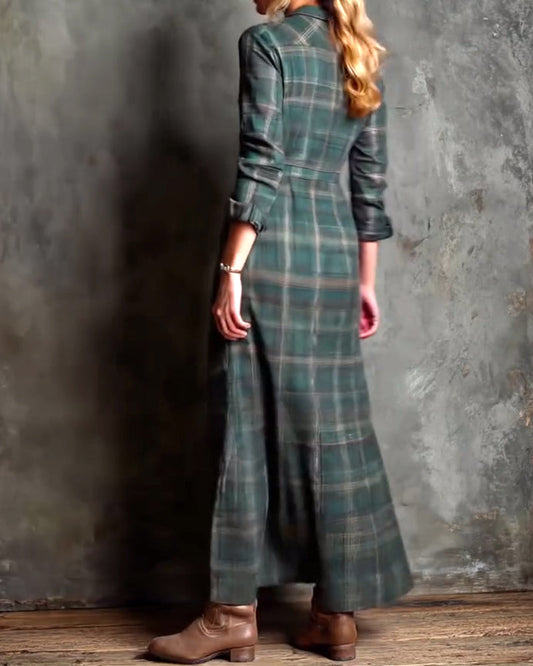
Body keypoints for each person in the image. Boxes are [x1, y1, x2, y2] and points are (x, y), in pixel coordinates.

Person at [148, 0, 413, 662]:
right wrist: (365, 283)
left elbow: (262, 161)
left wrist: (230, 269)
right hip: (333, 260)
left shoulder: (267, 43)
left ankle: (231, 614)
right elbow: (368, 188)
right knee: (332, 426)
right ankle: (334, 615)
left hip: (272, 256)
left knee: (245, 422)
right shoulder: (359, 54)